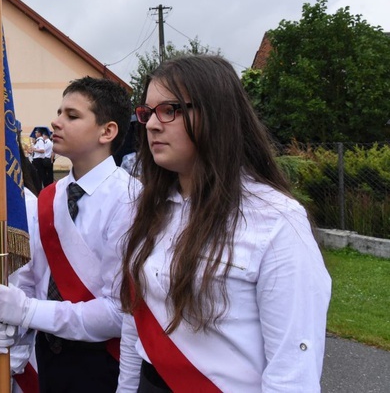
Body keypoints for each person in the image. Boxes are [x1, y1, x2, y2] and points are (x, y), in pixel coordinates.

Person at [117, 55, 332, 392]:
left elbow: (293, 368)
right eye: (146, 113)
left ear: (217, 115)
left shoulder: (276, 220)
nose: (152, 125)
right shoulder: (149, 208)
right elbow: (135, 322)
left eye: (170, 110)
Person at [0, 76, 137, 392]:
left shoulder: (131, 199)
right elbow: (30, 277)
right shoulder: (50, 196)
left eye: (72, 115)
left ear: (107, 131)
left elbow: (118, 313)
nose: (56, 121)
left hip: (104, 362)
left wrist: (28, 312)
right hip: (48, 357)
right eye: (59, 112)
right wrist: (10, 325)